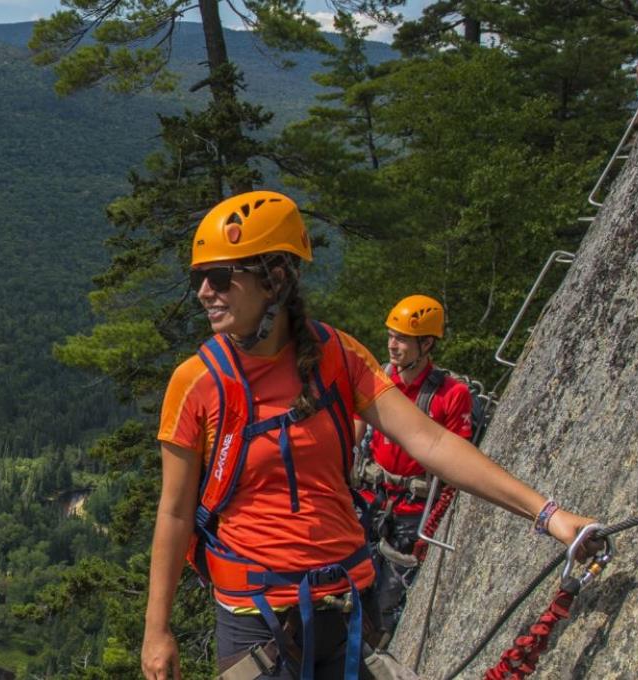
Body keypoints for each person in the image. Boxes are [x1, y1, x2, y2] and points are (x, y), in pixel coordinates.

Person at [139, 191, 599, 680]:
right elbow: (174, 510)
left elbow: (432, 442)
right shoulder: (197, 383)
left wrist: (548, 515)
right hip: (256, 619)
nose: (204, 293)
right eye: (199, 279)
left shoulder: (338, 356)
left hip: (345, 605)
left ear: (273, 279)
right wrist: (156, 629)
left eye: (218, 278)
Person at [355, 295, 472, 642]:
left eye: (403, 338)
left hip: (412, 514)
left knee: (388, 599)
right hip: (370, 500)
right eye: (391, 335)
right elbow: (355, 426)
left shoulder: (452, 394)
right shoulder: (379, 378)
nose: (393, 344)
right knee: (352, 592)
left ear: (427, 343)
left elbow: (457, 459)